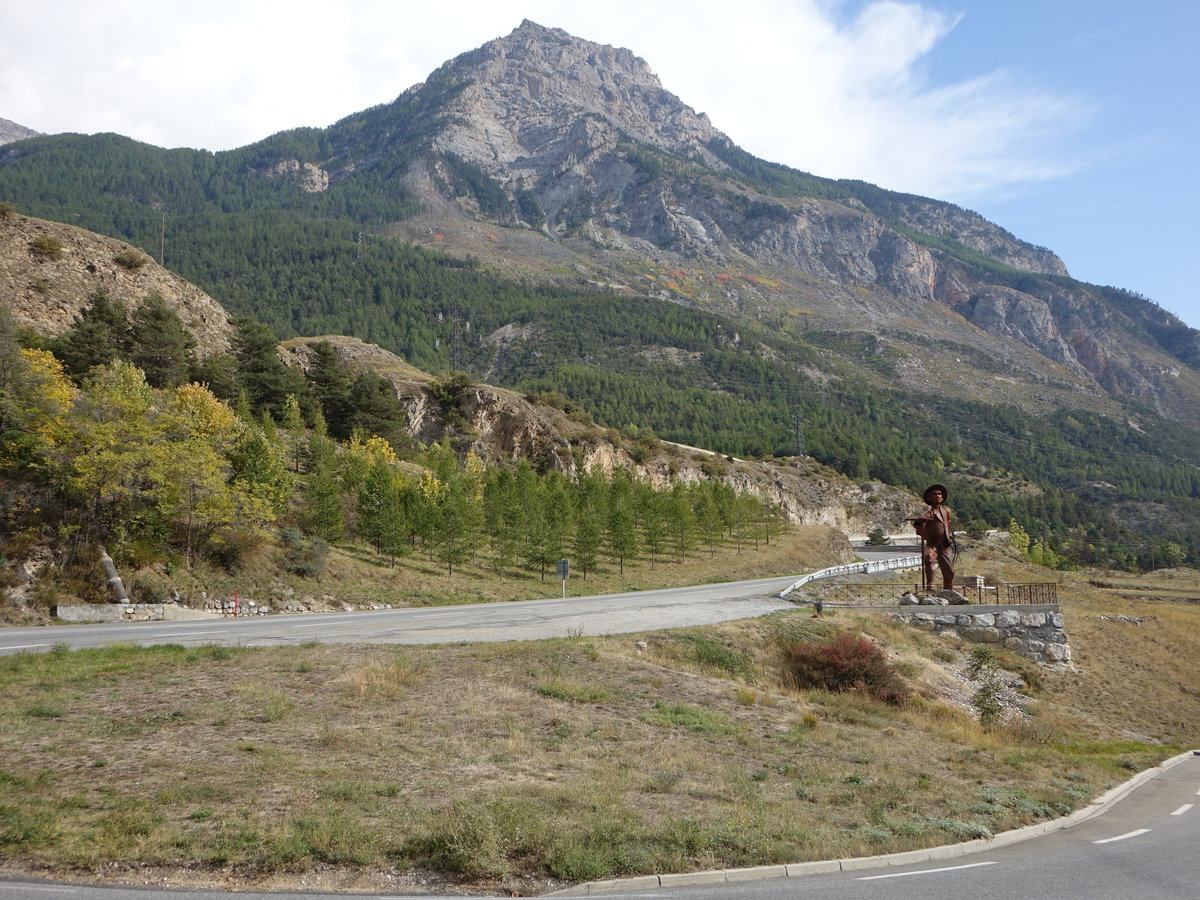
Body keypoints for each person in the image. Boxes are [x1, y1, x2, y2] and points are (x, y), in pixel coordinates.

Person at [908, 484, 955, 590]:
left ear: (942, 497)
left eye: (939, 494)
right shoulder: (929, 513)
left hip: (944, 544)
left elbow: (948, 524)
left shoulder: (946, 511)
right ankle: (930, 585)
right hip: (933, 543)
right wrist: (919, 522)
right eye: (934, 494)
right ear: (929, 498)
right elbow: (918, 523)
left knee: (949, 570)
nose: (937, 496)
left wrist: (949, 534)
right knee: (929, 558)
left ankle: (948, 589)